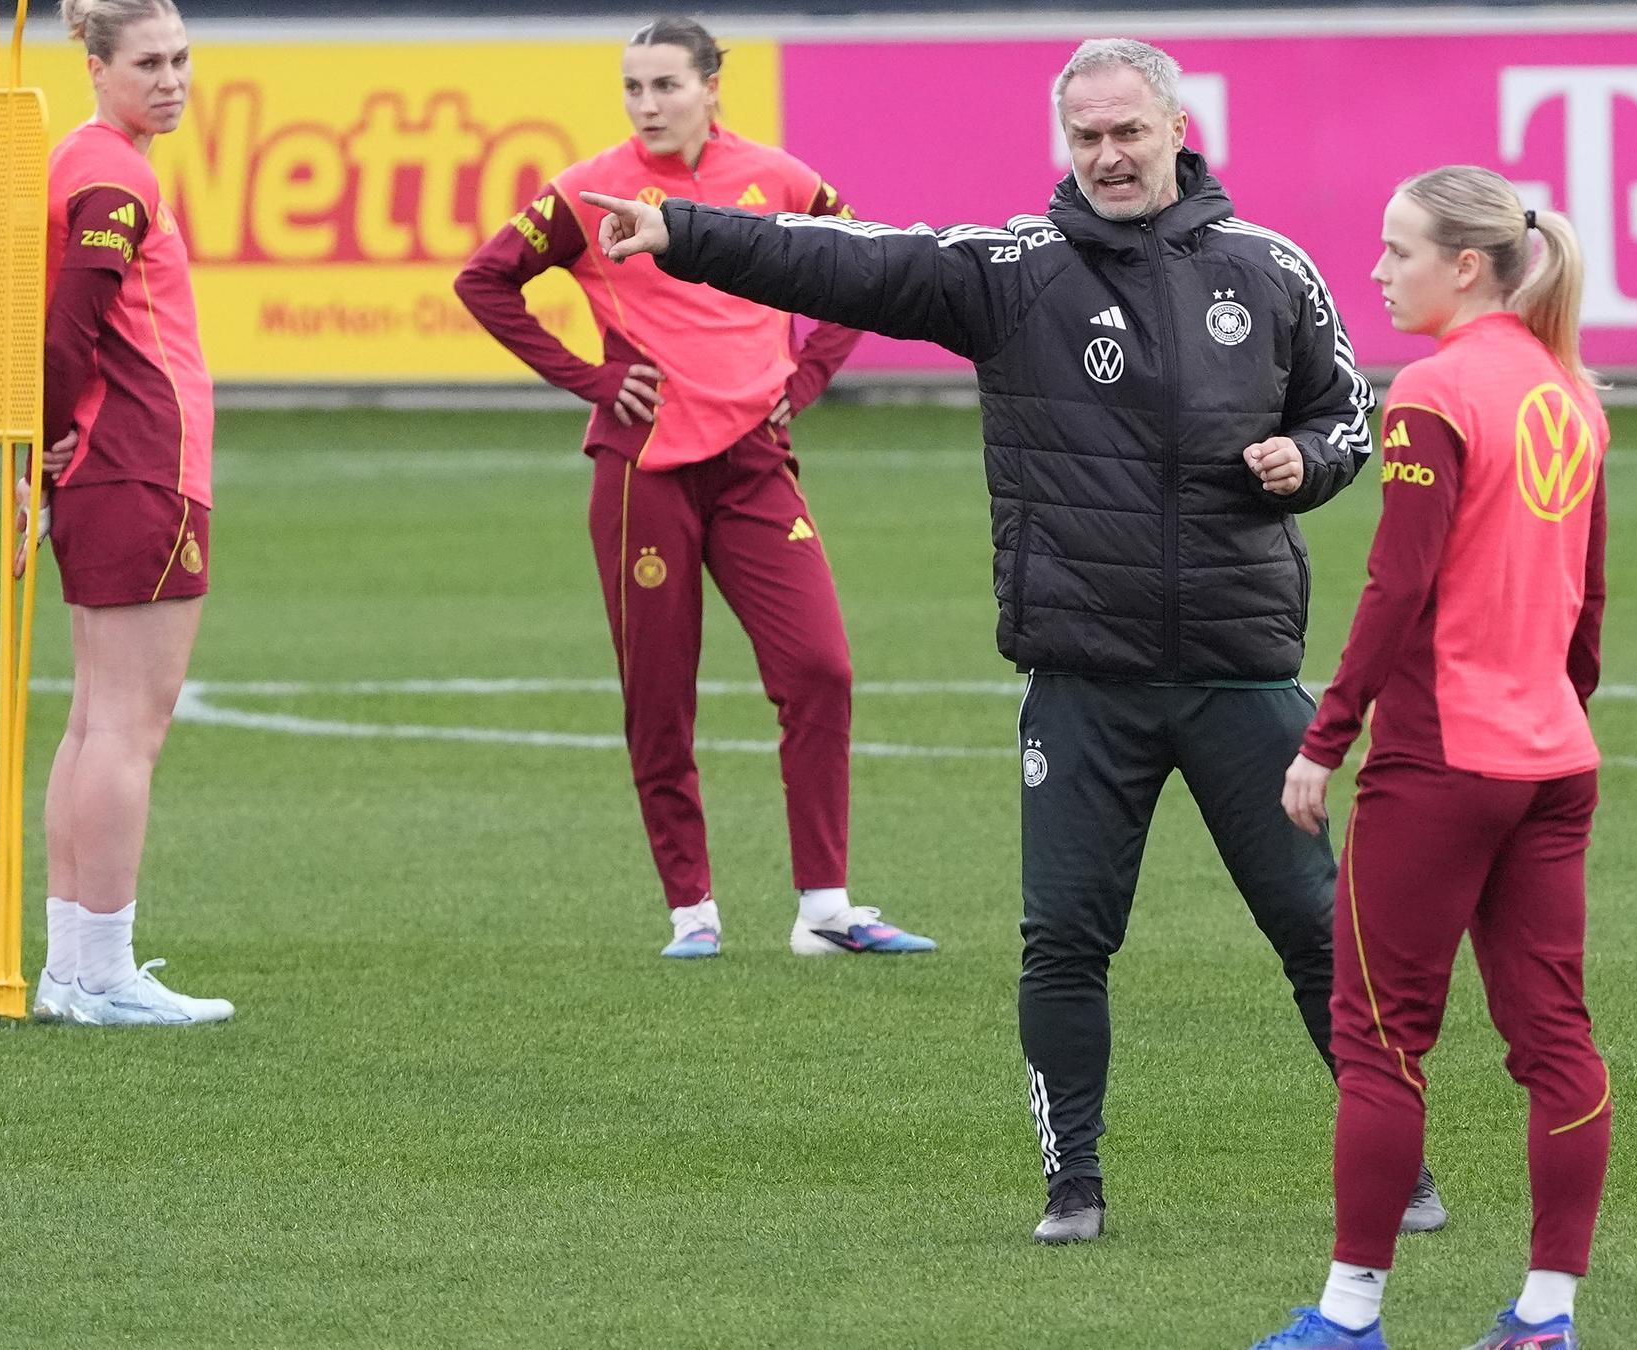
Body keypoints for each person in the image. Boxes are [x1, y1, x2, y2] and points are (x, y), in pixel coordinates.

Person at [581, 37, 1442, 1242]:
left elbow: (1345, 409)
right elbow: (850, 259)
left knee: (1318, 933)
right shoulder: (1013, 272)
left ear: (1177, 128)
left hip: (1243, 672)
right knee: (1065, 944)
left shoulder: (1270, 269)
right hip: (1083, 678)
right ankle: (1072, 1186)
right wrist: (686, 232)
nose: (1109, 155)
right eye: (1087, 136)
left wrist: (1310, 462)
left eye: (1128, 131)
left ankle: (1400, 1172)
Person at [455, 18, 934, 961]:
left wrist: (807, 376)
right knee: (660, 696)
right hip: (645, 474)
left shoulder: (780, 178)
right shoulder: (590, 189)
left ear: (713, 86)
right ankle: (692, 911)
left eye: (666, 85)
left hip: (756, 464)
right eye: (633, 88)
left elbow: (865, 263)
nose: (648, 105)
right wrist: (592, 380)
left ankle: (825, 909)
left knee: (821, 669)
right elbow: (485, 281)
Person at [1246, 167, 1610, 1350]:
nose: (1378, 270)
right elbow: (1589, 605)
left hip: (1444, 761)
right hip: (1553, 760)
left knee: (1380, 1041)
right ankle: (1547, 1316)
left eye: (1398, 250)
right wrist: (1550, 713)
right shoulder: (1571, 391)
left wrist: (1326, 739)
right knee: (1555, 1042)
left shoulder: (1434, 392)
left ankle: (1350, 1316)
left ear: (1464, 265)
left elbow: (1397, 585)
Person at [22, 0, 231, 1026]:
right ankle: (104, 973)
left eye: (181, 58)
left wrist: (49, 445)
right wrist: (47, 436)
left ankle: (72, 969)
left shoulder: (86, 158)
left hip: (116, 465)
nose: (173, 79)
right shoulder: (114, 173)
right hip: (143, 464)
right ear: (97, 68)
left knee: (93, 721)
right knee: (126, 728)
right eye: (149, 62)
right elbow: (70, 326)